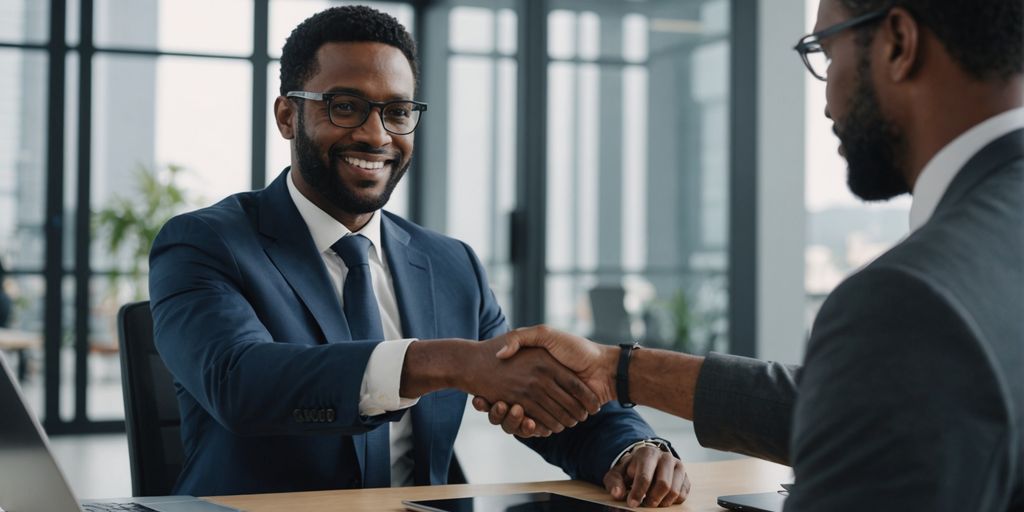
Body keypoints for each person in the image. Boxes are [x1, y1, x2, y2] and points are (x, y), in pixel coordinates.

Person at [485, 0, 1024, 509]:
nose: (827, 100)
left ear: (898, 44)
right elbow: (873, 408)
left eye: (826, 52)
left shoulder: (910, 297)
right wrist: (617, 370)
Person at [148, 5, 688, 506]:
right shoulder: (203, 244)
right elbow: (241, 384)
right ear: (288, 117)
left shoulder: (451, 264)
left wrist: (634, 450)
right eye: (345, 107)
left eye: (397, 111)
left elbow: (538, 392)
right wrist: (448, 361)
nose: (375, 134)